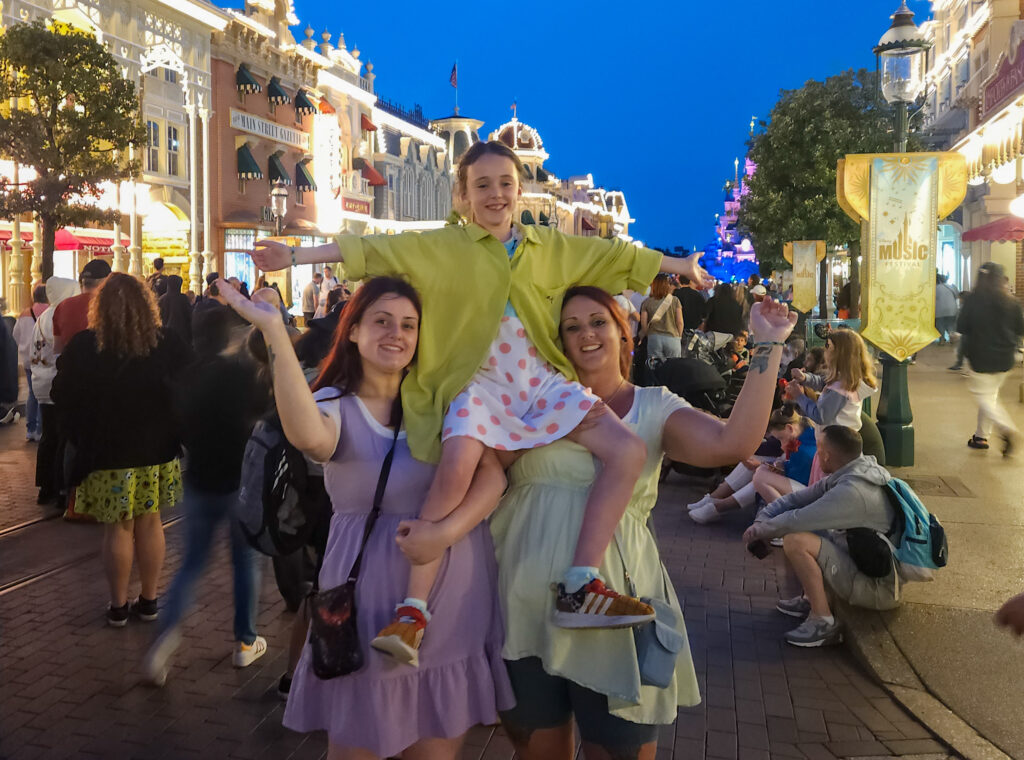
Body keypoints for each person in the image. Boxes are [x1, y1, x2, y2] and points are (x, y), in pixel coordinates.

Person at [249, 139, 708, 667]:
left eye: (505, 184)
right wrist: (296, 255)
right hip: (478, 384)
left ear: (520, 190)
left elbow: (617, 256)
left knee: (626, 452)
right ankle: (413, 611)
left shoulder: (548, 245)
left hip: (540, 383)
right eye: (482, 185)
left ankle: (582, 582)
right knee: (460, 471)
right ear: (463, 196)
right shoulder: (443, 245)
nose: (495, 194)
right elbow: (372, 249)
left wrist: (680, 263)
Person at [397, 287, 796, 757]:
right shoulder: (527, 401)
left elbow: (734, 442)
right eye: (571, 327)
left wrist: (767, 344)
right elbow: (481, 475)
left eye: (597, 321)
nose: (586, 334)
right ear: (556, 342)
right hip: (522, 609)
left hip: (614, 612)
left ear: (624, 333)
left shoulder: (654, 406)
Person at [217, 275, 514, 758]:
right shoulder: (335, 404)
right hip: (369, 598)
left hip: (453, 595)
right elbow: (308, 435)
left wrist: (442, 533)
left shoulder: (443, 401)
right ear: (352, 330)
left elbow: (494, 478)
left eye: (408, 325)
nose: (396, 333)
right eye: (381, 321)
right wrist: (275, 332)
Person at [51, 273, 191, 626]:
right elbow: (190, 388)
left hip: (106, 452)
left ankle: (118, 606)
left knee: (117, 528)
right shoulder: (166, 342)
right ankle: (149, 599)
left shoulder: (85, 345)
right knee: (151, 522)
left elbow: (61, 395)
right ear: (147, 305)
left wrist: (82, 434)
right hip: (157, 451)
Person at [143, 307, 272, 685]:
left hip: (199, 481)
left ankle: (165, 637)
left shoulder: (189, 376)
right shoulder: (244, 374)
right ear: (231, 335)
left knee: (190, 565)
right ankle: (245, 642)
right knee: (246, 562)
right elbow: (260, 421)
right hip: (240, 485)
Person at [742, 425, 900, 647]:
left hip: (878, 588)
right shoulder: (852, 471)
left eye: (818, 449)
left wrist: (758, 531)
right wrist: (762, 520)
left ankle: (823, 621)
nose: (816, 454)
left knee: (796, 540)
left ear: (826, 455)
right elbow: (795, 500)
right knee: (807, 532)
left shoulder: (853, 491)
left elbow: (798, 518)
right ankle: (810, 600)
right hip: (864, 562)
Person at [688, 406, 808, 523]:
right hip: (803, 484)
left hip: (809, 491)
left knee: (762, 476)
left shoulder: (805, 445)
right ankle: (716, 501)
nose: (782, 444)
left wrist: (769, 465)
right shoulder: (801, 435)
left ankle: (720, 506)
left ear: (790, 428)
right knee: (761, 471)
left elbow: (798, 473)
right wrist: (777, 464)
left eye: (781, 438)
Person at [957, 261, 1024, 455]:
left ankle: (1007, 428)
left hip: (980, 357)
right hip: (1006, 359)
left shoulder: (973, 299)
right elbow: (1021, 328)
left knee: (984, 397)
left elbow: (961, 326)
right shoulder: (1012, 301)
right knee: (991, 395)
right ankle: (981, 437)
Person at [30, 277, 78, 505]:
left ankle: (44, 485)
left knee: (49, 436)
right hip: (55, 383)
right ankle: (59, 487)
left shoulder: (41, 317)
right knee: (62, 436)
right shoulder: (60, 314)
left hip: (40, 381)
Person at [52, 258, 111, 353]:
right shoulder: (108, 305)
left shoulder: (62, 306)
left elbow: (57, 349)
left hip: (71, 364)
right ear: (105, 282)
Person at [12, 285, 48, 438]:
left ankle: (30, 428)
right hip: (43, 358)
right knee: (43, 394)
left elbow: (15, 335)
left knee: (32, 393)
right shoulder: (49, 312)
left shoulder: (24, 314)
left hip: (27, 359)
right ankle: (40, 429)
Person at [640, 273, 684, 362]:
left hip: (654, 337)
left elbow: (643, 323)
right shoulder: (675, 300)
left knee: (655, 368)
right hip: (672, 337)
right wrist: (679, 336)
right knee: (673, 368)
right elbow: (680, 322)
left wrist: (648, 334)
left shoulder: (647, 302)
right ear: (668, 285)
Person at [157, 274, 193, 345]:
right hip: (182, 336)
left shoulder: (162, 299)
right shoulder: (183, 298)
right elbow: (189, 317)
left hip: (165, 335)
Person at [935, 273, 958, 345]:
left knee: (940, 324)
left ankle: (941, 340)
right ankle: (953, 339)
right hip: (952, 309)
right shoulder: (952, 287)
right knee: (951, 325)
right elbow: (957, 296)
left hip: (940, 309)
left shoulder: (936, 288)